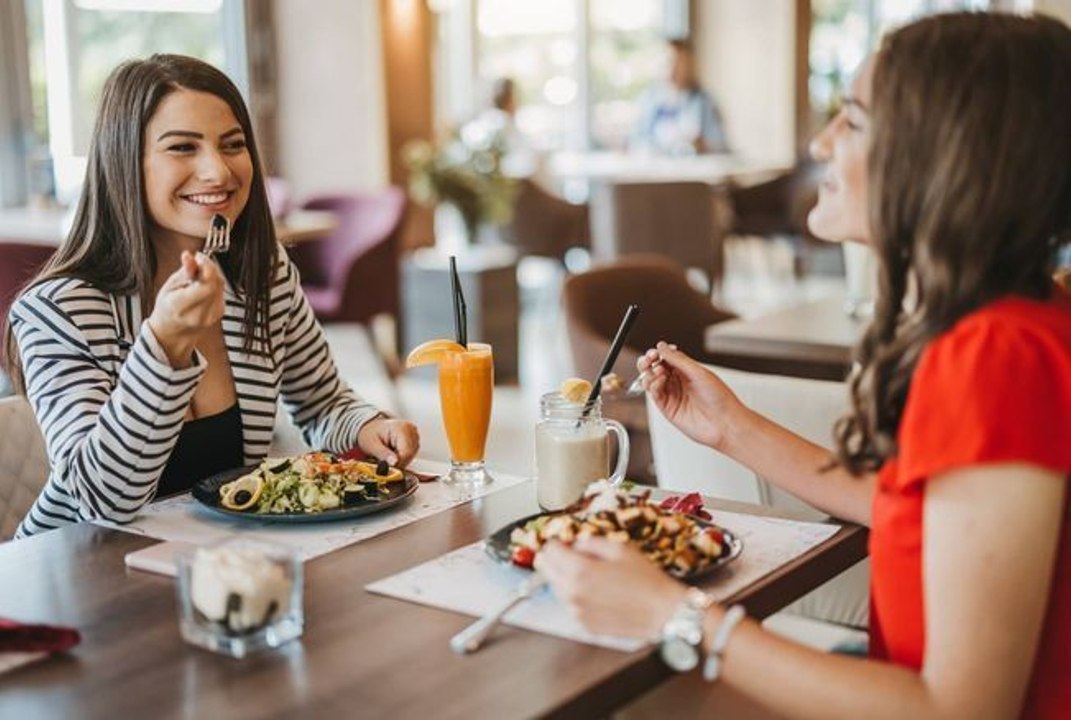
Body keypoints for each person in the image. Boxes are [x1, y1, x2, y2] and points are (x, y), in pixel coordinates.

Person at [539, 12, 1071, 719]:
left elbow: (959, 709)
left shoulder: (994, 358)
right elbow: (904, 505)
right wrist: (730, 427)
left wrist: (675, 615)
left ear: (938, 157)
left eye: (850, 121)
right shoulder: (1016, 319)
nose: (819, 143)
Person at [2, 54, 420, 538]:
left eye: (233, 144)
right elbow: (100, 499)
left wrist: (367, 426)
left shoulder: (260, 275)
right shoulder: (57, 311)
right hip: (79, 573)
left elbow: (322, 401)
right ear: (123, 162)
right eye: (182, 147)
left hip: (216, 561)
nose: (217, 171)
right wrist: (163, 347)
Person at [631, 39, 729, 155]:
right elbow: (636, 141)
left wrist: (702, 145)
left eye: (679, 63)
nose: (673, 69)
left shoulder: (703, 101)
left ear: (689, 65)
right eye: (668, 62)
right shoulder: (650, 99)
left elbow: (720, 145)